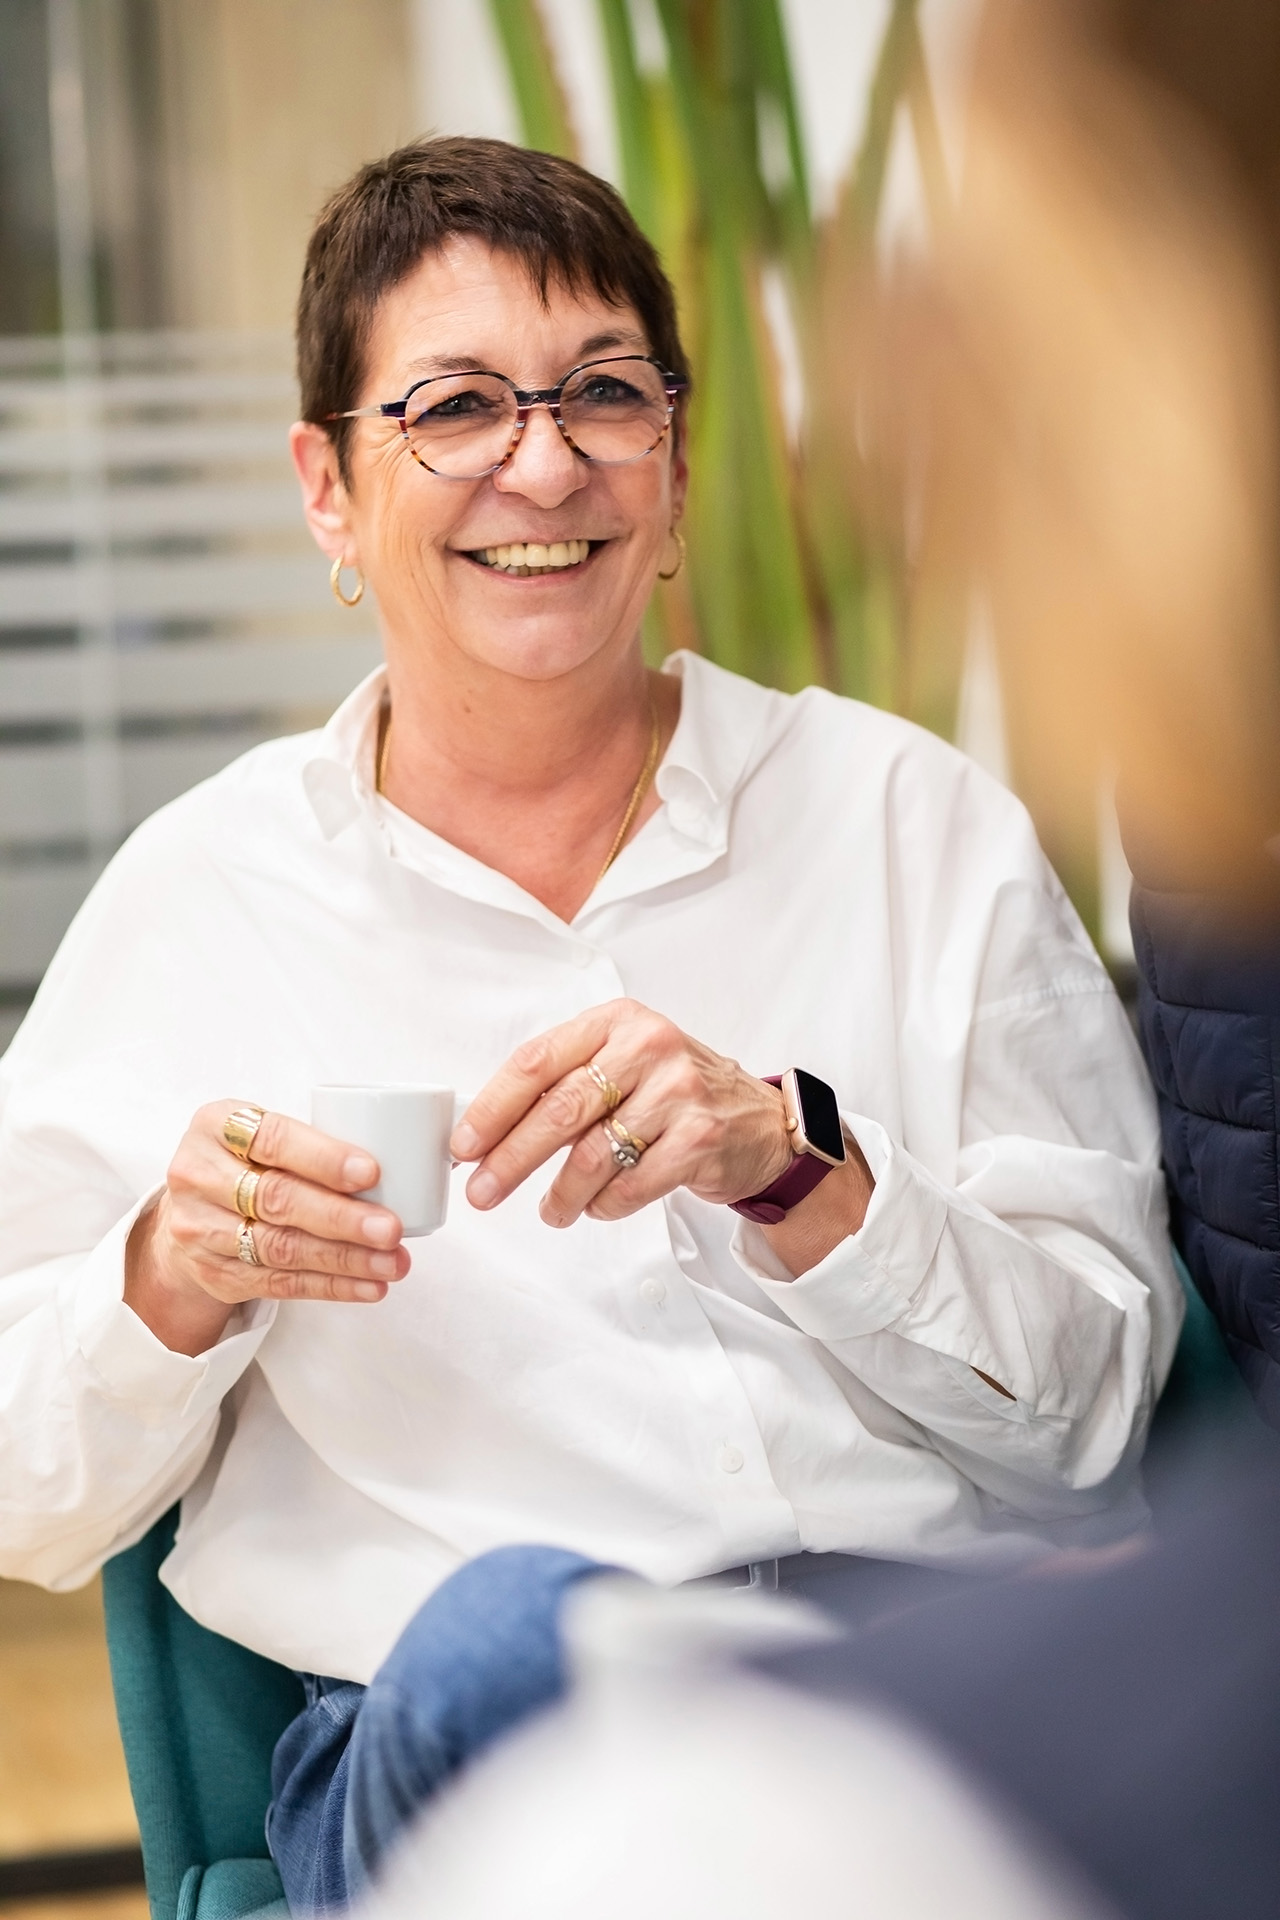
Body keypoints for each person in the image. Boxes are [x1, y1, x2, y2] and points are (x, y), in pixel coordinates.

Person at [0, 137, 1180, 1905]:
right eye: (456, 407)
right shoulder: (201, 900)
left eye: (605, 395)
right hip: (466, 1731)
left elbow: (1097, 1434)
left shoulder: (907, 824)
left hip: (904, 1685)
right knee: (514, 1635)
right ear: (329, 488)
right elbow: (23, 1494)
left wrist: (801, 1170)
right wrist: (170, 1274)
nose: (544, 464)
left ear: (677, 469)